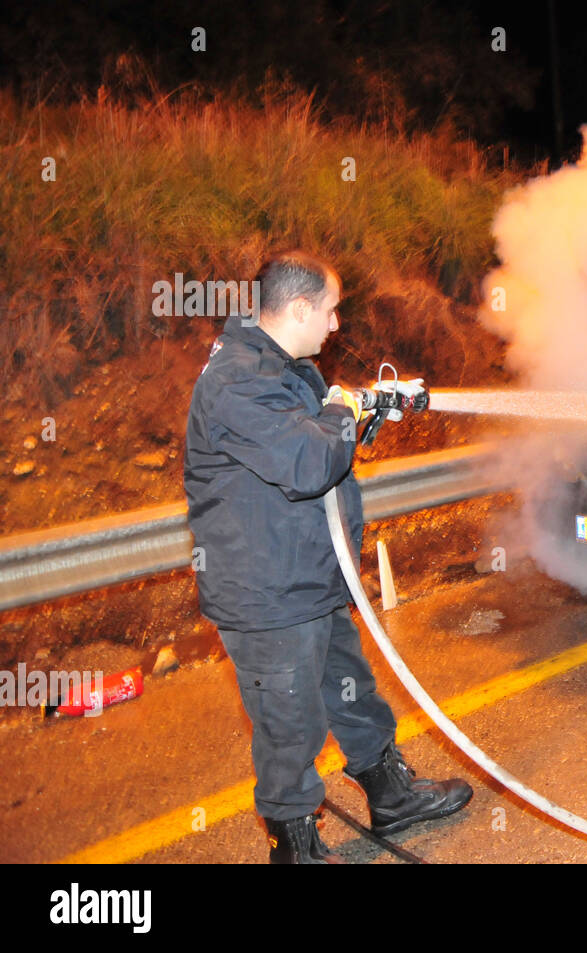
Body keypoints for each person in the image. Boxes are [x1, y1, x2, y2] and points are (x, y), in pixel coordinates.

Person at [184, 250, 472, 862]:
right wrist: (345, 407)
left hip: (307, 575)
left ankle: (389, 794)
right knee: (290, 728)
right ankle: (294, 846)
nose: (337, 326)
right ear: (297, 309)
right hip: (267, 595)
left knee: (350, 689)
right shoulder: (237, 381)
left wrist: (369, 403)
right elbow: (310, 462)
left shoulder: (276, 365)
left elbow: (310, 431)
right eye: (332, 312)